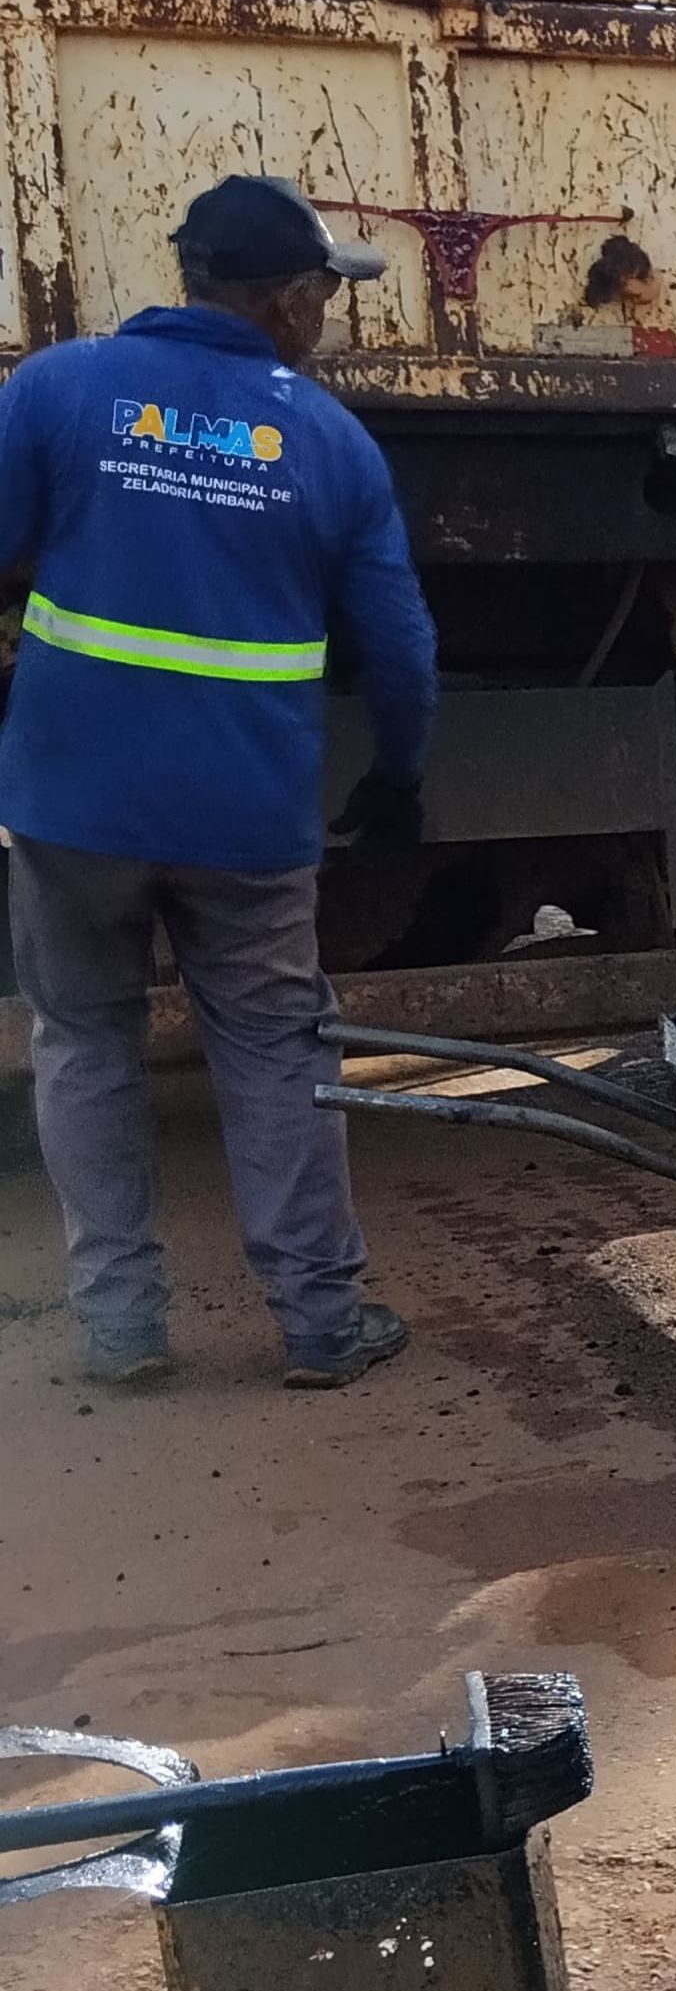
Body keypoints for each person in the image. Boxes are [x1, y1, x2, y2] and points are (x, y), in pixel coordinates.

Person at [0, 174, 434, 1390]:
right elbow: (398, 645)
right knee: (274, 1049)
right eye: (324, 295)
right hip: (242, 811)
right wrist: (399, 781)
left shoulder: (57, 388)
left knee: (83, 1040)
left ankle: (121, 1326)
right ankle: (318, 1322)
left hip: (71, 800)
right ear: (288, 301)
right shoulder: (326, 437)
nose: (325, 318)